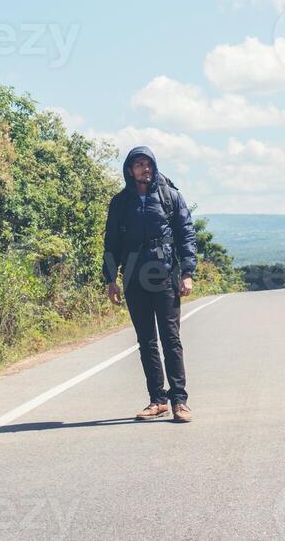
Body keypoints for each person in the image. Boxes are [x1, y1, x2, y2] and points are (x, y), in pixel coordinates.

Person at [102, 146, 197, 423]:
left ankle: (180, 401)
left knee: (171, 338)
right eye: (139, 165)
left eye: (148, 164)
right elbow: (112, 243)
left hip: (165, 275)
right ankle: (158, 400)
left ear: (154, 167)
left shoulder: (170, 196)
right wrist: (111, 279)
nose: (145, 169)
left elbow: (186, 235)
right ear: (129, 170)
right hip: (133, 277)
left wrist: (187, 272)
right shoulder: (120, 203)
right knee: (146, 341)